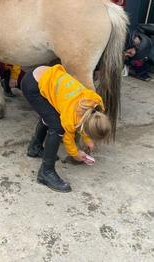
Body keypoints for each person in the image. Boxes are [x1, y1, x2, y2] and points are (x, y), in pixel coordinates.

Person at [21, 64, 111, 193]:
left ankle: (34, 147)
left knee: (51, 116)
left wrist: (87, 139)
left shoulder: (96, 104)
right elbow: (68, 140)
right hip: (32, 84)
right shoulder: (70, 117)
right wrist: (76, 154)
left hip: (45, 74)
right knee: (57, 126)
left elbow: (86, 122)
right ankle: (46, 172)